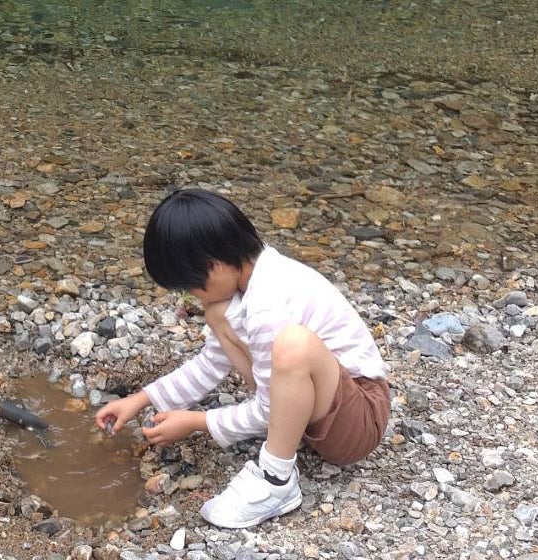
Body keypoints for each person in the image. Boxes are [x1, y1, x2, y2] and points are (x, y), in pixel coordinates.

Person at [95, 188, 390, 529]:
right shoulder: (251, 279)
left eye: (192, 287)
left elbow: (267, 410)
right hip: (326, 411)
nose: (194, 296)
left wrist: (197, 422)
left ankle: (276, 480)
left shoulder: (267, 306)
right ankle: (287, 436)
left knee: (293, 346)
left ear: (213, 266)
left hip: (359, 420)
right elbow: (210, 363)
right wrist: (140, 400)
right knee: (219, 314)